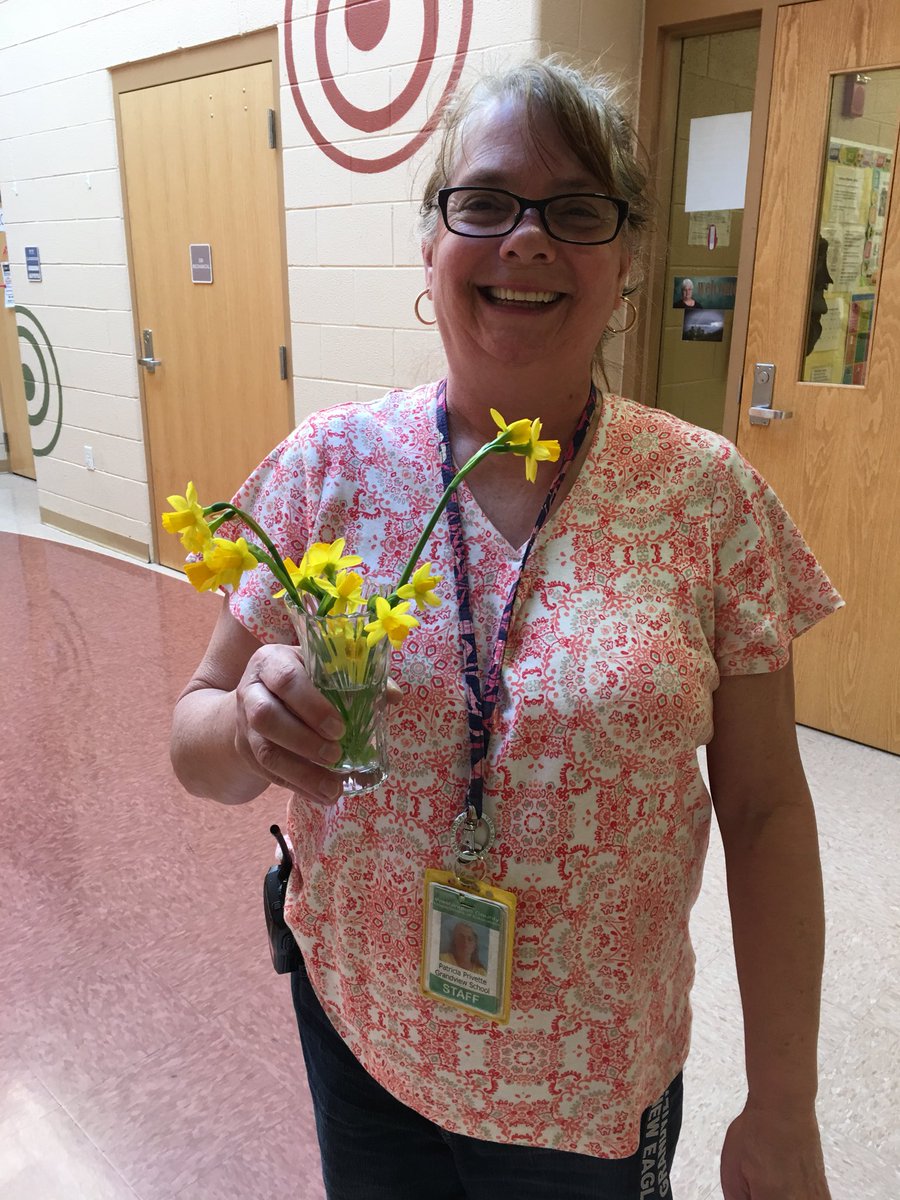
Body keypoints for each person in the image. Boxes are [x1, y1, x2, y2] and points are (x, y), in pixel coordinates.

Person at [171, 57, 840, 1200]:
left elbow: (769, 810)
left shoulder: (706, 497)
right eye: (483, 203)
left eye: (575, 210)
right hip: (361, 1038)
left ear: (628, 262)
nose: (526, 239)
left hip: (587, 1090)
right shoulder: (330, 466)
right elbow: (194, 744)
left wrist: (783, 1105)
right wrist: (243, 726)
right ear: (430, 245)